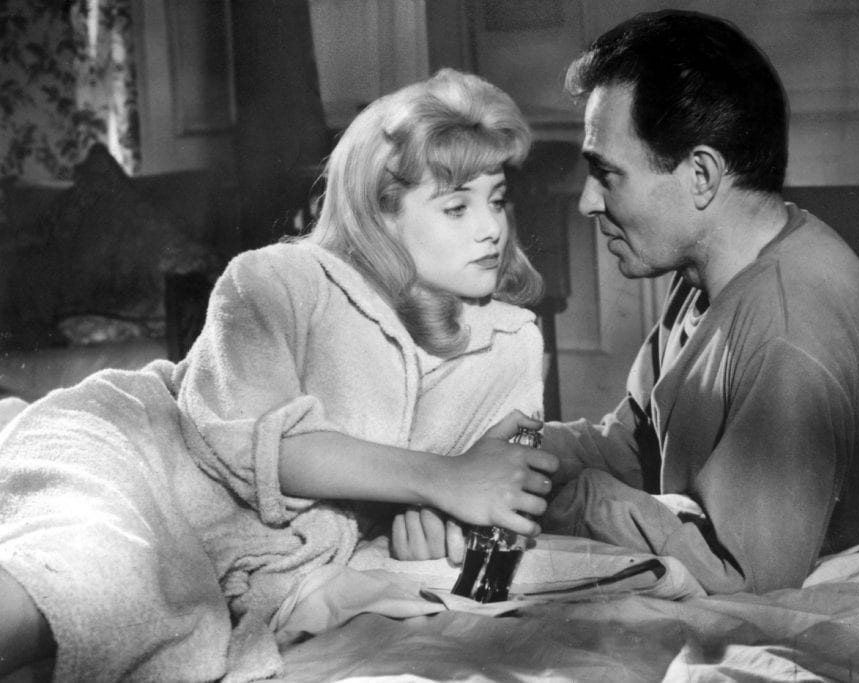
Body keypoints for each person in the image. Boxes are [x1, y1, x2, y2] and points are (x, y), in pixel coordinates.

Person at [0, 68, 557, 681]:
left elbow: (508, 494)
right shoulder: (275, 279)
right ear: (382, 216)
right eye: (457, 207)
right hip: (132, 447)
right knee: (91, 573)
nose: (491, 228)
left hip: (244, 555)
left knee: (156, 618)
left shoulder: (516, 344)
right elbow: (260, 445)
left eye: (496, 200)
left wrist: (452, 527)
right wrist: (440, 481)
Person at [536, 9, 859, 595]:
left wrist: (560, 500)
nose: (588, 202)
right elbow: (634, 445)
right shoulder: (709, 272)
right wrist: (517, 446)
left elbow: (741, 582)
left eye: (607, 173)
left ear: (701, 175)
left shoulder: (789, 324)